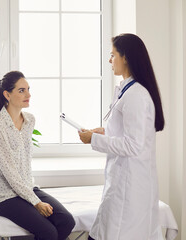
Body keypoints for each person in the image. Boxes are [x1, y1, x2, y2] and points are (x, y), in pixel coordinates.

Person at [79, 33, 165, 240]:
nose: (110, 60)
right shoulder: (126, 91)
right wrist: (105, 132)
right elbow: (128, 134)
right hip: (122, 182)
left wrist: (94, 139)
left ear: (125, 57)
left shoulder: (136, 95)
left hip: (130, 187)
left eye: (112, 55)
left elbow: (134, 145)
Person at [0, 71, 75, 240]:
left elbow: (25, 160)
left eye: (28, 89)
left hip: (25, 188)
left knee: (66, 221)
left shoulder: (29, 120)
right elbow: (9, 170)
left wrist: (32, 195)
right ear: (7, 94)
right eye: (21, 90)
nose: (28, 94)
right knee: (48, 232)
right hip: (2, 195)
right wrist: (36, 202)